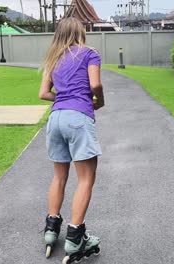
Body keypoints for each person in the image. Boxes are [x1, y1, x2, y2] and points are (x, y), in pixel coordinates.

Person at [38, 17, 105, 264]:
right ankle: (75, 237)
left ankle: (51, 229)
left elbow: (43, 93)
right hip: (78, 117)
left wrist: (63, 96)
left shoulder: (53, 58)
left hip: (55, 118)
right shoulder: (89, 53)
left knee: (59, 176)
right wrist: (98, 99)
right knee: (86, 179)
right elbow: (95, 83)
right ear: (80, 32)